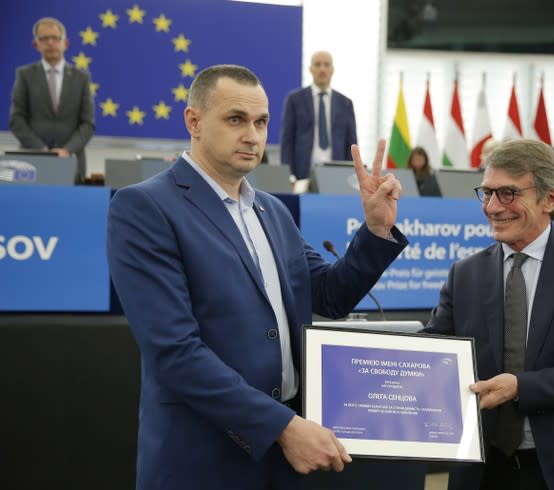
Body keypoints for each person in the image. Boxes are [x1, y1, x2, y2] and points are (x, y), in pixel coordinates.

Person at [106, 64, 407, 490]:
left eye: (261, 122)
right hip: (202, 457)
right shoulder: (144, 208)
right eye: (236, 120)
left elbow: (329, 295)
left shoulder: (273, 210)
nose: (253, 135)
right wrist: (283, 427)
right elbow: (175, 353)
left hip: (283, 460)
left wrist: (375, 230)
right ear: (193, 121)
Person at [423, 139, 554, 490]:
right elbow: (433, 355)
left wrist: (522, 387)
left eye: (508, 193)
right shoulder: (465, 274)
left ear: (550, 198)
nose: (493, 206)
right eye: (487, 193)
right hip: (486, 472)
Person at [9, 17, 95, 184]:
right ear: (36, 44)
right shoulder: (25, 75)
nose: (50, 43)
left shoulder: (81, 77)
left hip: (71, 162)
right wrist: (42, 151)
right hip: (32, 164)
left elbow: (87, 124)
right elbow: (17, 120)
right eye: (44, 38)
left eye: (55, 38)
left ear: (66, 43)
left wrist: (67, 151)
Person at [280, 51, 357, 182]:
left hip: (337, 173)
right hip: (302, 173)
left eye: (326, 65)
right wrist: (288, 174)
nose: (322, 69)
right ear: (310, 69)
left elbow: (351, 143)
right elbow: (287, 140)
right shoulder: (295, 100)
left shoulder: (345, 103)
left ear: (332, 70)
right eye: (317, 64)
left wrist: (350, 174)